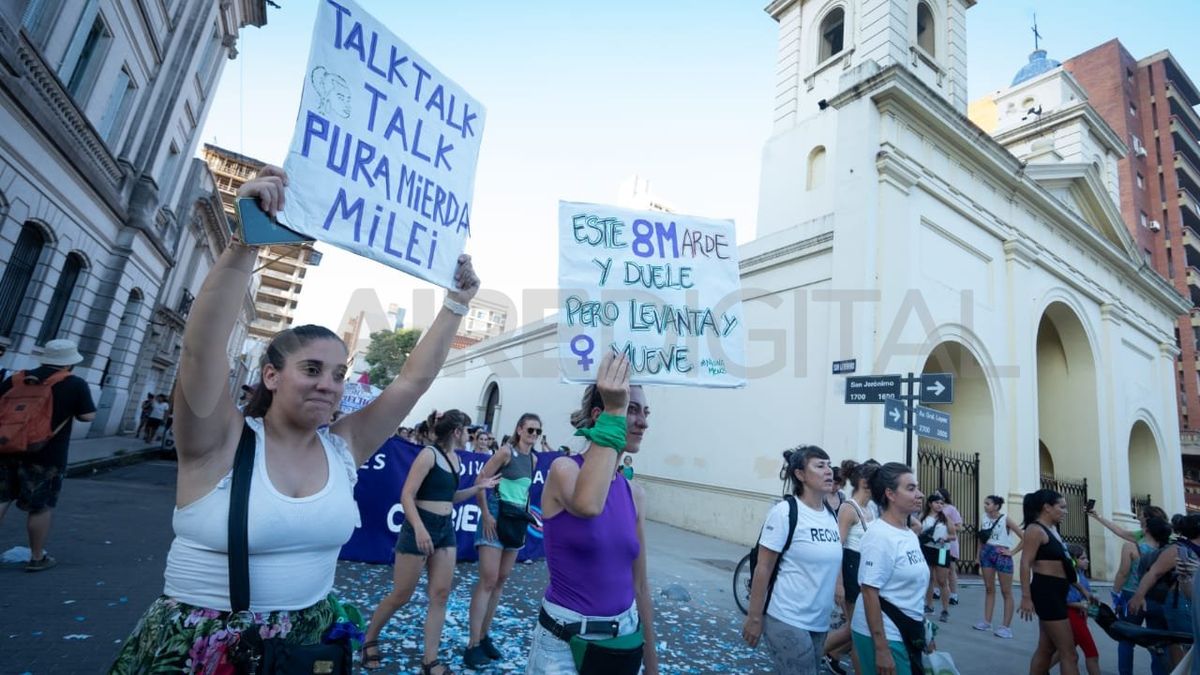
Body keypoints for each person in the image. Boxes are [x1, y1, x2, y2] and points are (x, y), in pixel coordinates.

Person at [109, 165, 482, 673]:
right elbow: (200, 353)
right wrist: (245, 244)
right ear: (270, 376)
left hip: (306, 650)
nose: (329, 384)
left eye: (338, 373)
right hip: (206, 649)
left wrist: (456, 305)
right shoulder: (219, 441)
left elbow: (410, 383)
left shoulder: (343, 447)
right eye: (311, 369)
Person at [525, 352, 659, 674]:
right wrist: (616, 410)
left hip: (623, 641)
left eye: (645, 412)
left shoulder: (634, 493)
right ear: (602, 414)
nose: (643, 421)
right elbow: (588, 504)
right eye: (631, 409)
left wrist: (651, 663)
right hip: (564, 645)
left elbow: (640, 585)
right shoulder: (565, 469)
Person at [361, 410, 498, 672]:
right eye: (467, 431)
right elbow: (407, 495)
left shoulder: (455, 459)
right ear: (456, 431)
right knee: (402, 594)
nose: (470, 436)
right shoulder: (428, 455)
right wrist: (420, 528)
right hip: (418, 528)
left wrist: (479, 488)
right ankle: (370, 638)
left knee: (440, 595)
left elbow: (450, 497)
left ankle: (429, 661)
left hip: (445, 530)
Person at [741, 446, 843, 674]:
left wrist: (840, 587)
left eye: (829, 465)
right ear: (800, 474)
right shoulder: (785, 512)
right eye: (820, 466)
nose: (829, 471)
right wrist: (754, 617)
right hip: (786, 617)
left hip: (819, 621)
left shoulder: (830, 515)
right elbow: (763, 567)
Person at [0, 339, 96, 572]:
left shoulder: (15, 379)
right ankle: (36, 556)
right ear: (70, 363)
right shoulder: (75, 384)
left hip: (6, 448)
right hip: (46, 455)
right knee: (40, 507)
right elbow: (88, 416)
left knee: (1, 498)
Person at [464, 413, 541, 667]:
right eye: (530, 430)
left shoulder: (533, 458)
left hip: (515, 520)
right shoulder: (506, 453)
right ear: (519, 429)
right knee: (487, 580)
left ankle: (484, 636)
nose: (533, 436)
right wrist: (485, 513)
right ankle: (473, 644)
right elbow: (481, 481)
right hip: (496, 515)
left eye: (537, 432)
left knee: (501, 580)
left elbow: (525, 492)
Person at [851, 462, 930, 675]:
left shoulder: (907, 533)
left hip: (907, 631)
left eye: (917, 488)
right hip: (887, 635)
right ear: (890, 494)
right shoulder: (879, 536)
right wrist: (881, 648)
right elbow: (869, 592)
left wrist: (924, 628)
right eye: (911, 488)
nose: (920, 494)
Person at [1018, 489, 1079, 675]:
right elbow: (1025, 563)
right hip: (1047, 592)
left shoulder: (1051, 531)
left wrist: (1084, 591)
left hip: (1057, 591)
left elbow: (1065, 565)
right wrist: (1026, 597)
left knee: (1047, 648)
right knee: (1069, 653)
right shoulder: (1035, 530)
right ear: (1047, 507)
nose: (1065, 511)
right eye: (1062, 507)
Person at [1129, 514, 1200, 671]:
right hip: (1180, 603)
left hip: (1188, 601)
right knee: (1182, 644)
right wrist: (1138, 595)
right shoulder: (1180, 549)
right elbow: (1155, 572)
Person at [829, 460, 878, 675]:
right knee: (855, 630)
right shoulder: (849, 508)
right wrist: (838, 583)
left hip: (865, 572)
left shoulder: (871, 508)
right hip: (850, 569)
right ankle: (811, 655)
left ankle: (830, 654)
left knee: (856, 629)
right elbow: (836, 547)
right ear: (865, 482)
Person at [1111, 518, 1166, 675]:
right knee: (1157, 641)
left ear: (1146, 529)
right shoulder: (1164, 548)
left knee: (1126, 639)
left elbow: (1123, 572)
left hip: (1131, 595)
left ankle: (1126, 673)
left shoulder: (1131, 546)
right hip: (1156, 597)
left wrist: (1115, 593)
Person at [973, 494, 1023, 639]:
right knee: (989, 589)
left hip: (1002, 554)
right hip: (987, 553)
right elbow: (982, 538)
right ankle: (987, 622)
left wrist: (1012, 552)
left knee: (1006, 592)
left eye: (988, 503)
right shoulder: (984, 518)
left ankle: (1006, 627)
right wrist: (978, 555)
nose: (985, 505)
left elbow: (1024, 537)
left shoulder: (1005, 519)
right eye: (985, 503)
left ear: (996, 506)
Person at [1057, 544, 1100, 675]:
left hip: (1081, 615)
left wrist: (1092, 599)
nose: (1087, 561)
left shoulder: (1081, 573)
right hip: (1072, 615)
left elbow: (1086, 592)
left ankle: (1041, 668)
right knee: (1092, 653)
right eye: (1083, 558)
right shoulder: (1068, 576)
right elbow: (1065, 600)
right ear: (1074, 560)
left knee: (1065, 651)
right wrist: (1081, 605)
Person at [920, 492, 955, 622]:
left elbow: (953, 536)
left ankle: (945, 610)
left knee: (942, 581)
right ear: (930, 504)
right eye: (937, 502)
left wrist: (945, 538)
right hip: (927, 549)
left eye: (941, 503)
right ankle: (929, 606)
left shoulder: (946, 519)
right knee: (928, 578)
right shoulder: (922, 517)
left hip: (941, 551)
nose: (939, 505)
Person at [931, 488, 963, 606]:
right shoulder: (932, 509)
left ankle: (954, 595)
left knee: (950, 569)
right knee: (936, 568)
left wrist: (948, 525)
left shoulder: (951, 509)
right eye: (935, 495)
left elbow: (960, 526)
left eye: (938, 494)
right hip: (936, 544)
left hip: (948, 545)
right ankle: (936, 591)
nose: (936, 496)